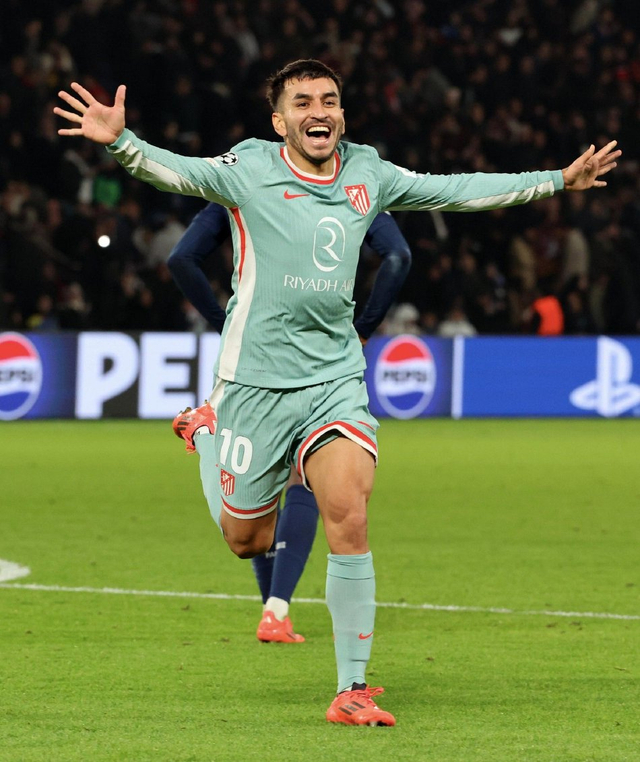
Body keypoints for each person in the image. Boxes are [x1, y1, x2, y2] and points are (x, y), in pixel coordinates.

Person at [54, 58, 620, 726]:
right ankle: (206, 430)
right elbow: (176, 171)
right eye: (302, 102)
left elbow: (455, 190)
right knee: (247, 540)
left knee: (348, 514)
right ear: (279, 120)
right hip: (254, 384)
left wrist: (556, 180)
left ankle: (352, 688)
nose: (318, 111)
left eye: (328, 100)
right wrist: (121, 142)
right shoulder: (249, 168)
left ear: (342, 114)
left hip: (334, 380)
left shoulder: (366, 172)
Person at [167, 201, 412, 643]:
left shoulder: (245, 182)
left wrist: (228, 324)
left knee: (266, 491)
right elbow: (398, 256)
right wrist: (363, 328)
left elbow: (181, 258)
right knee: (297, 484)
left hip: (255, 359)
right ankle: (275, 610)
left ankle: (274, 611)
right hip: (320, 359)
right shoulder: (353, 186)